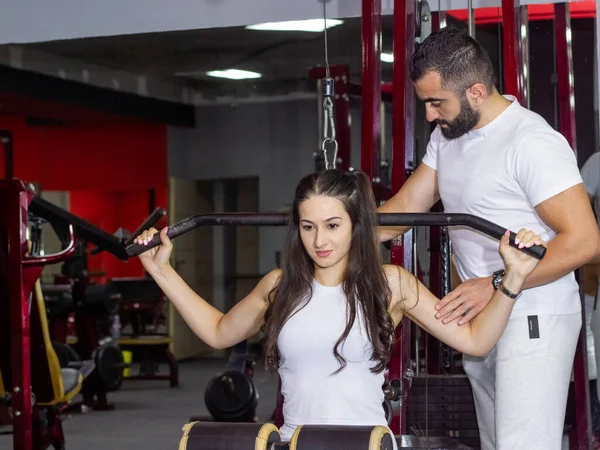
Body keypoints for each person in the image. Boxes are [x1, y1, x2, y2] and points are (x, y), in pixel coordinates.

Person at [134, 169, 545, 445]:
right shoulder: (280, 288)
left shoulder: (392, 284)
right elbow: (218, 331)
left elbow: (474, 341)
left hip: (364, 442)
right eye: (308, 227)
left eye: (333, 225)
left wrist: (512, 278)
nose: (319, 241)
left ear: (356, 224)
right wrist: (162, 271)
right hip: (294, 442)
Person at [378, 26, 600, 449]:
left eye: (435, 102)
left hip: (532, 313)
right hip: (482, 316)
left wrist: (495, 283)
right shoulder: (447, 138)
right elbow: (403, 211)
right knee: (498, 444)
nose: (429, 115)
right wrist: (333, 225)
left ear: (476, 92)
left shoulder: (531, 142)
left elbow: (585, 240)